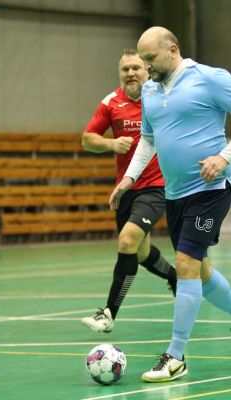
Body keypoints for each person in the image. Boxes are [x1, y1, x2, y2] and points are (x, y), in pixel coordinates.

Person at [109, 27, 231, 382]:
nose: (146, 67)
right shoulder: (150, 90)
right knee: (201, 271)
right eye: (142, 60)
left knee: (185, 264)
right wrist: (129, 178)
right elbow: (147, 141)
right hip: (175, 193)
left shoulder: (210, 78)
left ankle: (175, 357)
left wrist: (224, 157)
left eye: (151, 59)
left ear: (172, 49)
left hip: (211, 188)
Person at [80, 49, 177, 334]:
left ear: (147, 70)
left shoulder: (162, 98)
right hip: (126, 188)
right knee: (140, 253)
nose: (131, 73)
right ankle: (175, 278)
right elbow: (87, 139)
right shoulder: (111, 102)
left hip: (157, 186)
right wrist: (111, 144)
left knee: (127, 241)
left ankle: (109, 313)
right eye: (125, 70)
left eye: (136, 68)